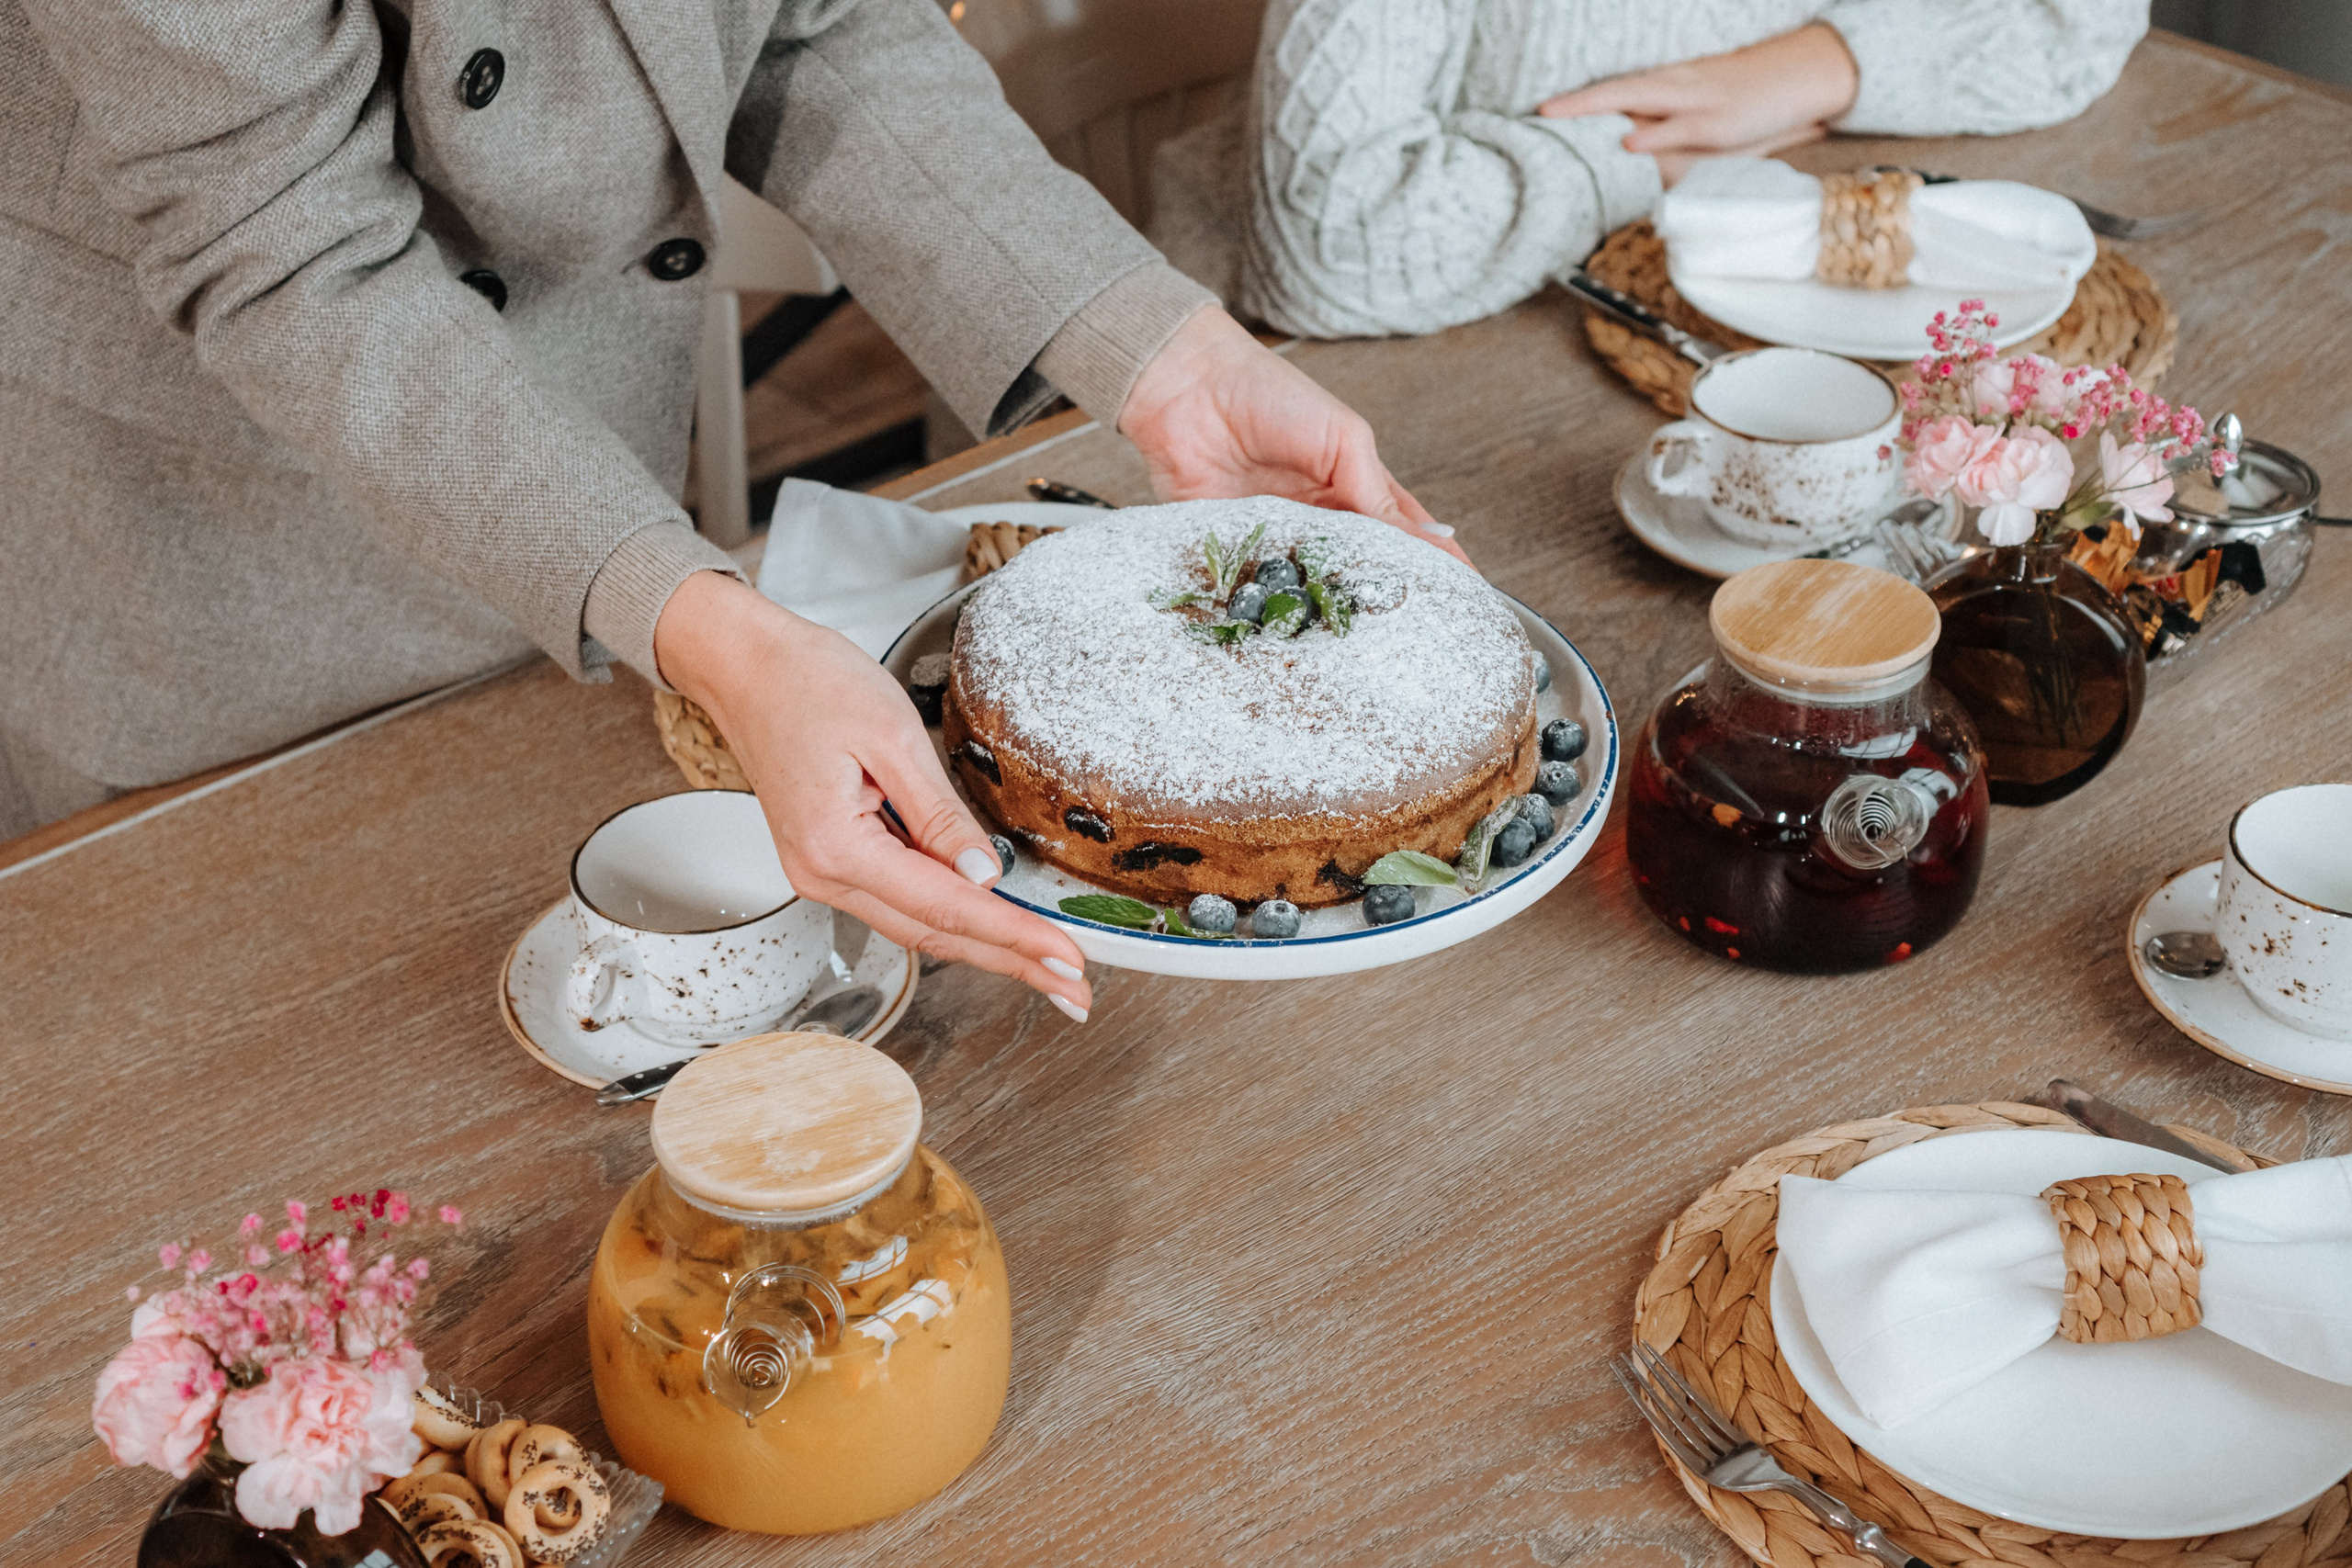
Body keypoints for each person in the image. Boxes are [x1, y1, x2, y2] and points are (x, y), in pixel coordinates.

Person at [0, 0, 1461, 1021]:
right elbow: (285, 247)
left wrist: (1159, 351)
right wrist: (723, 637)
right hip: (220, 551)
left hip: (587, 503)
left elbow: (809, 25)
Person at [1148, 0, 2149, 339]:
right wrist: (1645, 149)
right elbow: (1335, 252)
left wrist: (1804, 70)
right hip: (1281, 363)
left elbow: (2080, 21)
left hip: (1699, 301)